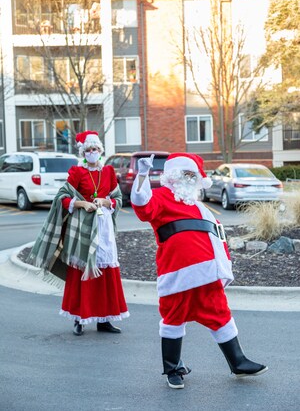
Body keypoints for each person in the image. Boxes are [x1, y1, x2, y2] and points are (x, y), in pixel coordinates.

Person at [130, 152, 267, 389]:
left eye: (193, 175)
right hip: (178, 273)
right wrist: (142, 174)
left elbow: (217, 238)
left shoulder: (201, 207)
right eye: (185, 173)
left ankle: (238, 361)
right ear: (173, 175)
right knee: (173, 316)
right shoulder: (162, 197)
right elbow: (142, 205)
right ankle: (172, 369)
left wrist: (224, 265)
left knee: (219, 312)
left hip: (207, 273)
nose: (190, 178)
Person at [28, 130, 129, 336]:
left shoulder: (108, 172)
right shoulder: (76, 172)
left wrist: (105, 201)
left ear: (100, 151)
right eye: (88, 149)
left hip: (104, 227)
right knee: (83, 273)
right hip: (82, 228)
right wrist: (82, 203)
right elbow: (62, 198)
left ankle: (105, 320)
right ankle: (79, 319)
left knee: (106, 272)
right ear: (83, 152)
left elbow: (117, 198)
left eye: (95, 149)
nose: (92, 152)